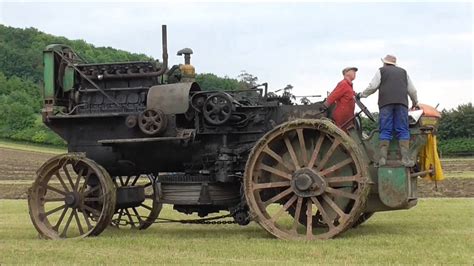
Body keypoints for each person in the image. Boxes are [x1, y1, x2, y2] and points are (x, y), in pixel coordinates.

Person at [358, 55, 418, 167]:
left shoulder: (381, 71)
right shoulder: (404, 72)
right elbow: (412, 90)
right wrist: (415, 102)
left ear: (384, 63)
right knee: (403, 130)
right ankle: (405, 159)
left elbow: (372, 86)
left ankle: (382, 159)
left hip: (385, 104)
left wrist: (362, 95)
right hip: (402, 104)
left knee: (385, 129)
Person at [323, 67, 358, 132]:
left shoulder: (349, 86)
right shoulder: (343, 83)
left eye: (355, 72)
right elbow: (334, 95)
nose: (355, 73)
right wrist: (325, 105)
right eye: (353, 71)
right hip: (342, 117)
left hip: (348, 116)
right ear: (346, 73)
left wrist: (357, 95)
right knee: (342, 134)